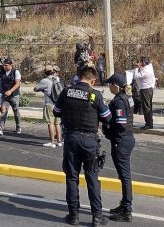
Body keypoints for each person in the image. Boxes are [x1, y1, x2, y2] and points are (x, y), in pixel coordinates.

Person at [53, 66, 112, 226]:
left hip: (71, 138)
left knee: (72, 178)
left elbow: (56, 111)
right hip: (89, 141)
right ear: (93, 80)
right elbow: (107, 117)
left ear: (79, 77)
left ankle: (73, 216)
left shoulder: (67, 92)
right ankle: (97, 217)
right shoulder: (94, 94)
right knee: (92, 178)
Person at [104, 73, 135, 222]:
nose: (108, 87)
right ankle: (124, 204)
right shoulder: (126, 97)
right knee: (124, 175)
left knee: (124, 176)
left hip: (121, 140)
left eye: (109, 84)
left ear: (115, 85)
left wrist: (108, 126)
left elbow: (121, 123)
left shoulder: (119, 101)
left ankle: (126, 210)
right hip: (127, 139)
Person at [34, 65, 62, 147]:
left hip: (49, 104)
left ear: (45, 73)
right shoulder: (57, 79)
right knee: (57, 123)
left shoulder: (44, 81)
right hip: (58, 104)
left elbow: (35, 89)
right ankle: (59, 141)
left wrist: (43, 89)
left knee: (50, 123)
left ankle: (52, 142)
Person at [0, 58, 21, 135]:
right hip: (5, 95)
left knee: (16, 111)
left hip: (14, 95)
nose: (5, 67)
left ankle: (18, 126)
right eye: (4, 65)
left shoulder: (16, 72)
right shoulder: (2, 72)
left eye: (6, 65)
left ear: (11, 65)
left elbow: (18, 84)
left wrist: (10, 91)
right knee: (3, 110)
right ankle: (0, 128)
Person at [133, 56, 156, 130]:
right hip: (149, 88)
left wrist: (137, 68)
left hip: (145, 89)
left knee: (146, 107)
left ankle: (148, 124)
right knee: (149, 106)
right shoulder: (149, 67)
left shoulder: (146, 70)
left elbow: (136, 76)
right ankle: (150, 122)